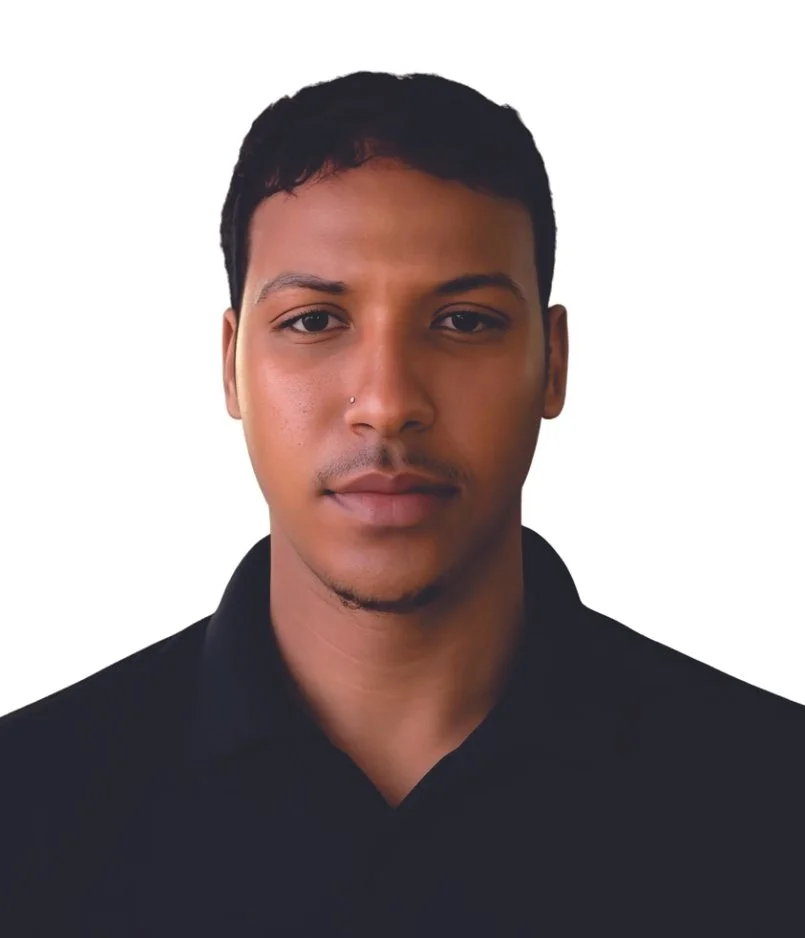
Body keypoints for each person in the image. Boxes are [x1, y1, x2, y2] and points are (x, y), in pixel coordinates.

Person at [1, 70, 803, 938]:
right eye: (314, 321)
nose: (386, 403)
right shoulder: (27, 809)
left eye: (464, 320)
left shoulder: (772, 800)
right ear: (231, 366)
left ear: (553, 363)